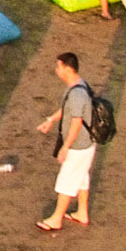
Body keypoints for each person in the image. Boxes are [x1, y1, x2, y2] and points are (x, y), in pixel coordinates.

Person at [36, 52, 96, 231]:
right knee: (81, 178)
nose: (57, 70)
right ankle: (82, 212)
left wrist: (65, 147)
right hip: (86, 145)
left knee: (67, 180)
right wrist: (50, 120)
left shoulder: (77, 94)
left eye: (59, 67)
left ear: (67, 69)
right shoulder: (78, 86)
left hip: (78, 146)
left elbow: (76, 122)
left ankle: (56, 219)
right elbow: (66, 109)